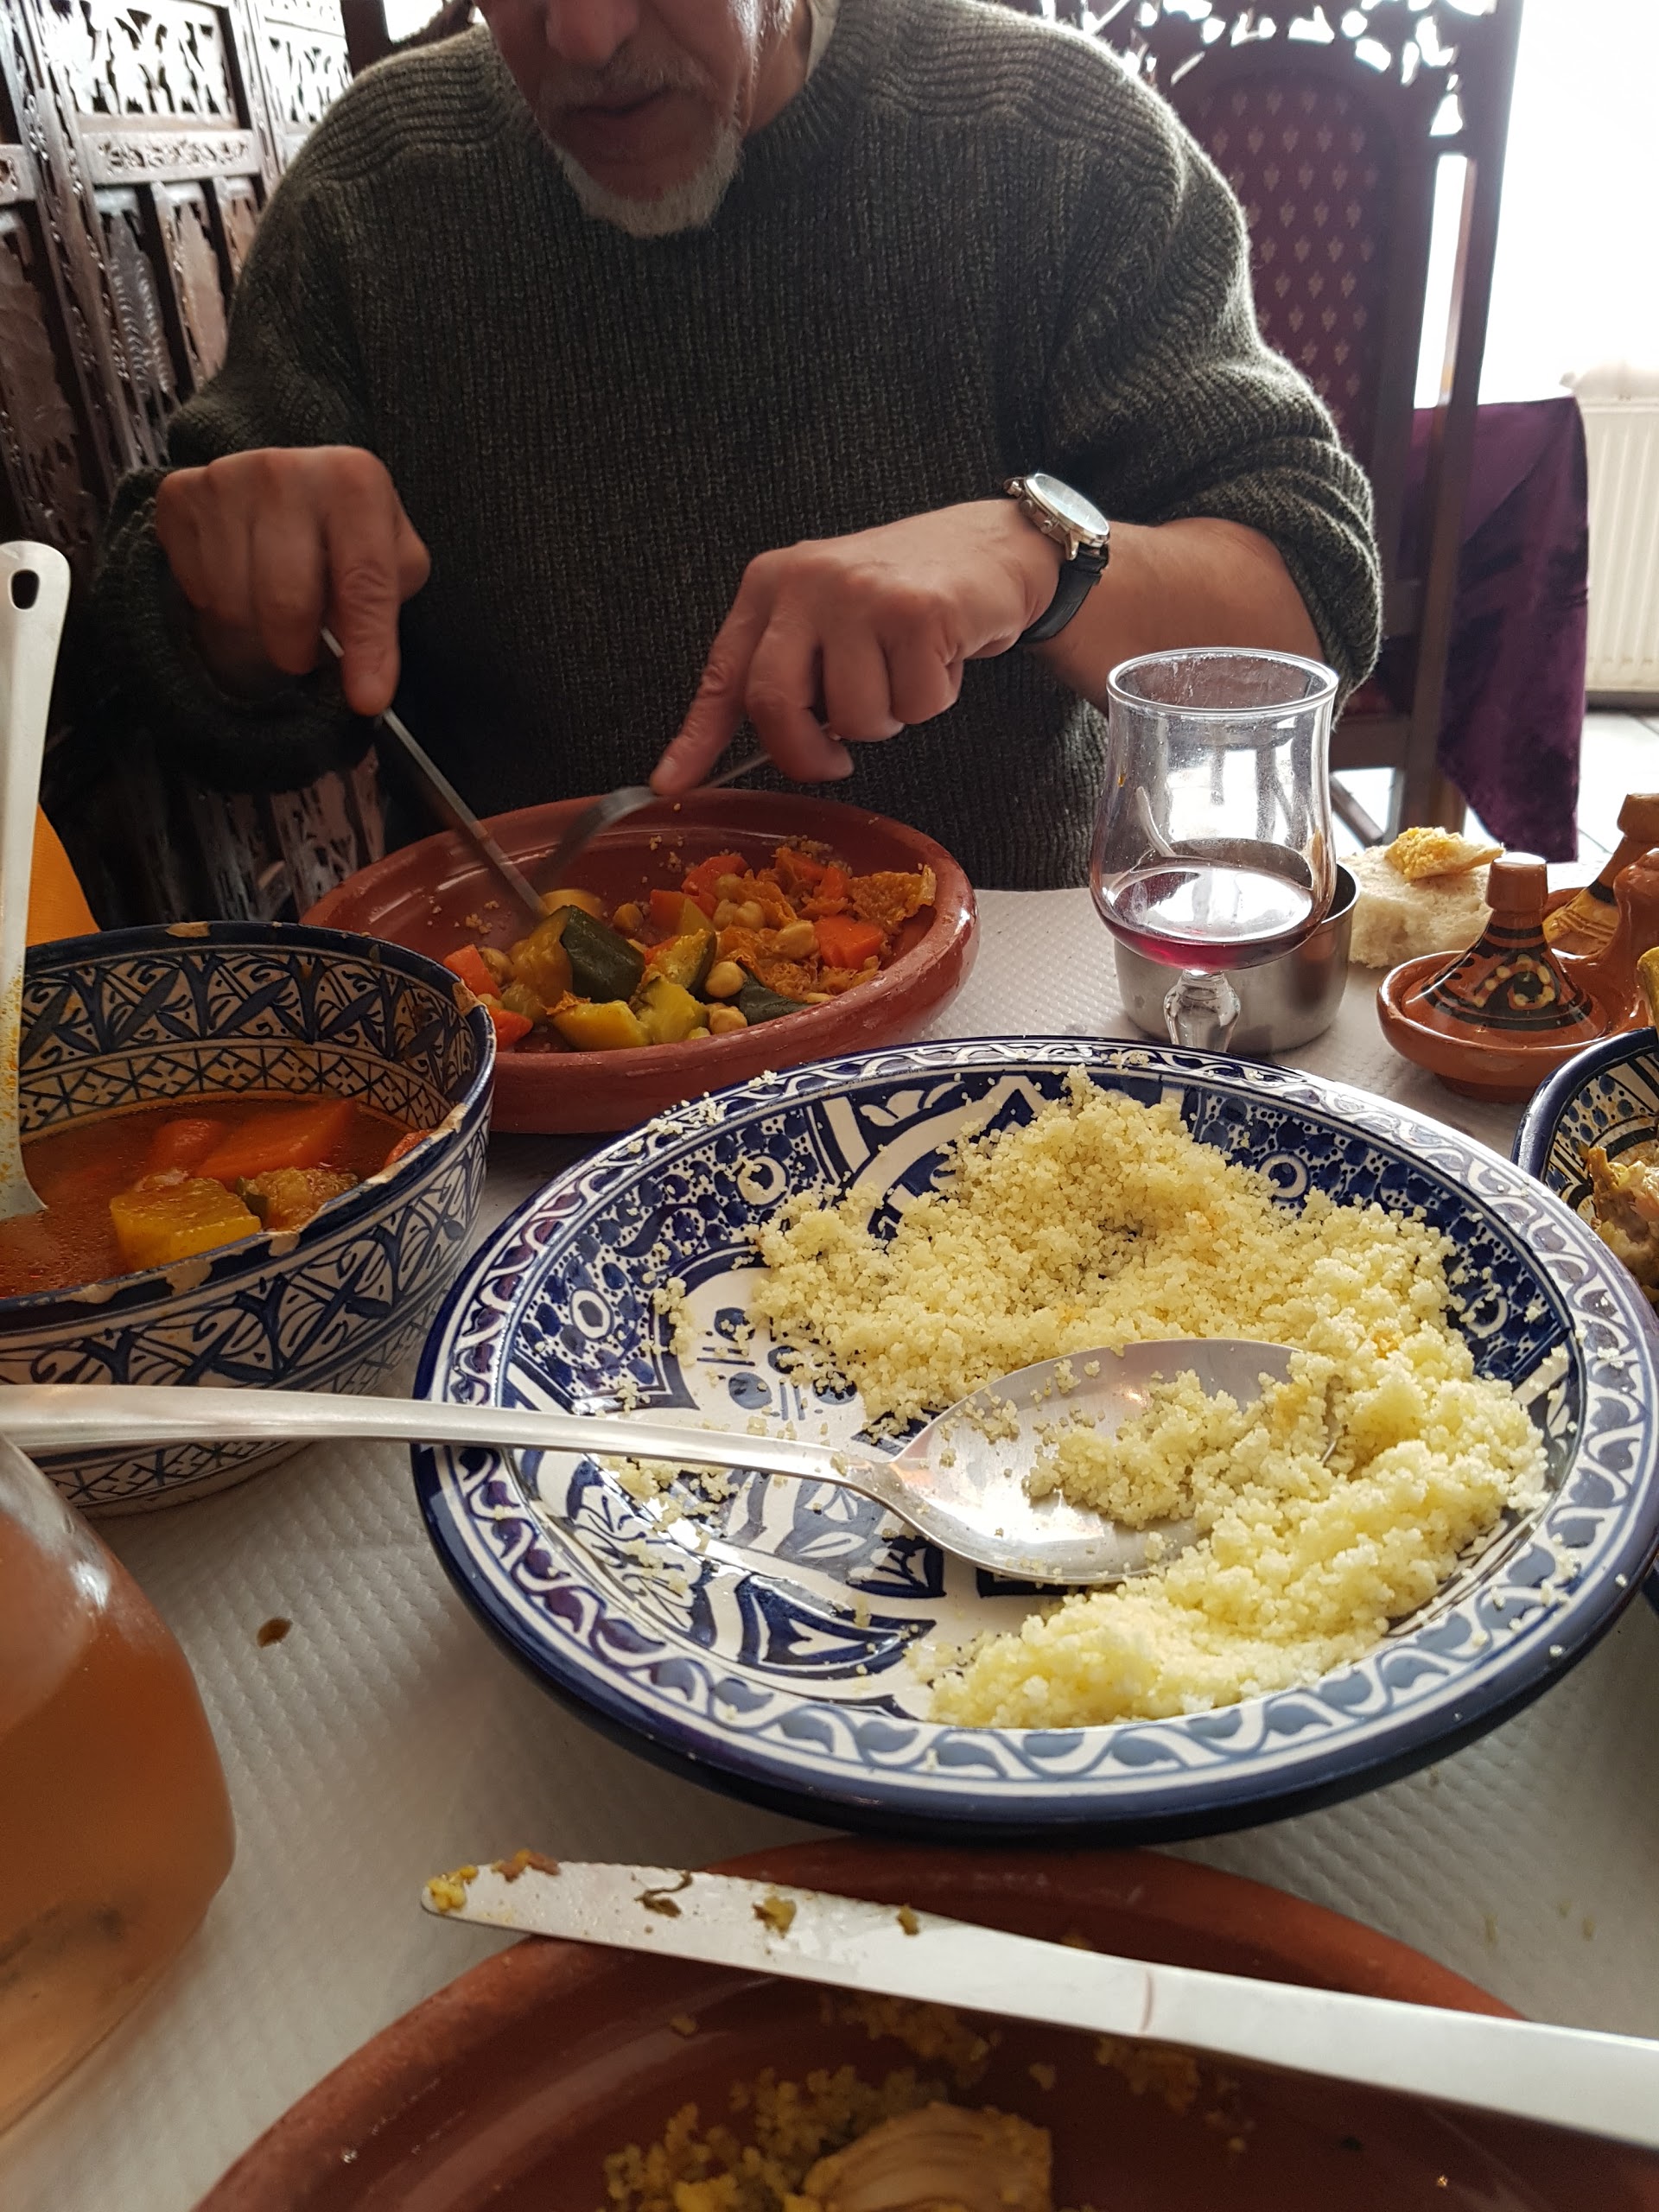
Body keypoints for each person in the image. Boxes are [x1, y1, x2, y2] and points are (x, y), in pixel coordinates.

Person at [94, 0, 1381, 888]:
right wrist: (231, 606)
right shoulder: (374, 192)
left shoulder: (1052, 144)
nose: (583, 35)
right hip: (535, 1051)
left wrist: (1034, 555)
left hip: (999, 1023)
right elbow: (179, 701)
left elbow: (1306, 610)